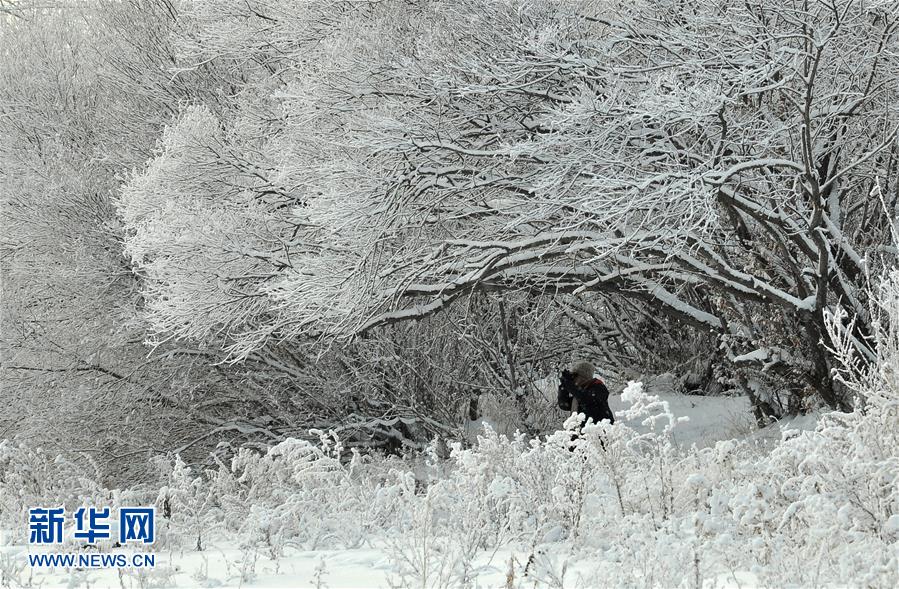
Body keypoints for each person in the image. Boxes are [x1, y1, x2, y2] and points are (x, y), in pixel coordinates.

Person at [557, 360, 615, 426]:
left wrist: (569, 384)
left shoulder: (598, 387)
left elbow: (586, 399)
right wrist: (563, 386)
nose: (573, 379)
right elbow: (564, 405)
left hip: (599, 431)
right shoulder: (579, 392)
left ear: (584, 377)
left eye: (575, 375)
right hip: (581, 432)